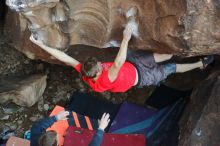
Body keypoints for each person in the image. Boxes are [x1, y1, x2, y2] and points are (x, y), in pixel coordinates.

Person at [30, 7, 214, 93]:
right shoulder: (105, 78)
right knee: (171, 68)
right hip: (142, 77)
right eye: (101, 65)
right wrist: (126, 38)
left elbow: (65, 58)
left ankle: (184, 50)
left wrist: (41, 44)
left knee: (165, 55)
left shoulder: (86, 73)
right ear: (99, 72)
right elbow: (117, 62)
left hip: (134, 64)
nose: (102, 63)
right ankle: (200, 64)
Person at [30, 111, 110, 146]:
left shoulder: (35, 137)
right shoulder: (35, 134)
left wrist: (56, 118)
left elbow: (38, 126)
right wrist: (101, 129)